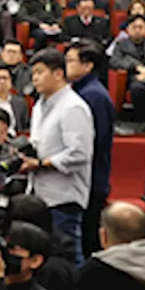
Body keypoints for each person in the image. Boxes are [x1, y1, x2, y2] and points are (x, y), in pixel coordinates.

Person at [22, 48, 94, 266]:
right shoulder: (39, 105)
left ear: (58, 74)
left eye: (40, 72)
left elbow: (80, 153)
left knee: (67, 257)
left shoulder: (73, 107)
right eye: (33, 73)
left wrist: (42, 163)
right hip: (39, 193)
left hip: (64, 196)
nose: (34, 78)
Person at [66, 41, 116, 257]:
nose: (65, 65)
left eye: (70, 61)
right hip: (84, 179)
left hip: (90, 180)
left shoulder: (93, 95)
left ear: (87, 66)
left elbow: (94, 142)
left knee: (87, 243)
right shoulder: (80, 91)